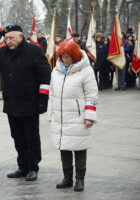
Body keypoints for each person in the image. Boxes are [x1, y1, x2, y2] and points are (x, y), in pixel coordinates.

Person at [0, 24, 51, 181]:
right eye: (6, 38)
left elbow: (45, 77)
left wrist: (42, 100)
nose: (8, 41)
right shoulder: (3, 52)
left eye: (11, 38)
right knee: (17, 136)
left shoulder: (34, 50)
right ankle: (22, 166)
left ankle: (33, 167)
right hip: (12, 103)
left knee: (31, 137)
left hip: (30, 102)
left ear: (20, 36)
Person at [48, 40, 98, 192]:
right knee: (64, 146)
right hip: (60, 116)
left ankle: (80, 179)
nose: (64, 59)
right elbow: (52, 94)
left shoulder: (86, 71)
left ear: (75, 56)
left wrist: (89, 115)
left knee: (79, 147)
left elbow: (92, 94)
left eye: (67, 57)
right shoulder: (55, 71)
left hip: (78, 116)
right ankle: (67, 177)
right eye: (62, 56)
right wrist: (51, 114)